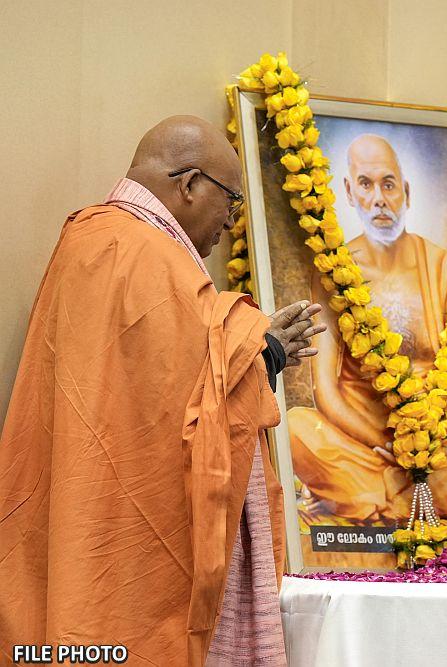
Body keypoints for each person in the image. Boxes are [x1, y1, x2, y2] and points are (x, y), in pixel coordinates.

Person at [0, 116, 326, 666]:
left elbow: (174, 373)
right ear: (190, 183)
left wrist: (253, 348)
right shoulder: (133, 249)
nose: (229, 221)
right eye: (232, 201)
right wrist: (262, 350)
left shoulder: (101, 237)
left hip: (100, 508)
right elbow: (185, 382)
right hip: (121, 532)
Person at [288, 134, 447, 527]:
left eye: (388, 184)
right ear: (349, 192)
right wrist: (389, 443)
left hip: (444, 439)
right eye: (367, 185)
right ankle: (426, 495)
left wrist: (436, 442)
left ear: (405, 191)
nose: (379, 199)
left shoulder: (441, 266)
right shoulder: (334, 271)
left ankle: (393, 498)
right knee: (295, 429)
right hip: (366, 441)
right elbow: (326, 391)